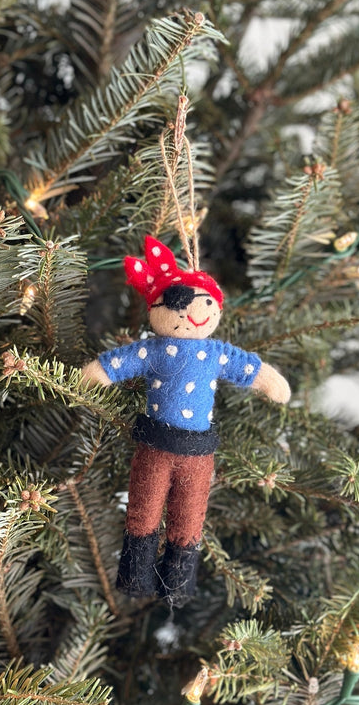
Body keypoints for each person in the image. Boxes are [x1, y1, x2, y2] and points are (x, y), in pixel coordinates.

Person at [82, 236, 290, 606]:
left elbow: (249, 369)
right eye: (179, 302)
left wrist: (271, 383)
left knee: (189, 520)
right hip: (155, 448)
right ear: (158, 308)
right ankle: (135, 577)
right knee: (143, 512)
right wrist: (86, 378)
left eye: (207, 301)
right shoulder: (152, 349)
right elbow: (113, 365)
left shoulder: (215, 352)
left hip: (197, 453)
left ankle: (176, 585)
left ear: (216, 308)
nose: (195, 310)